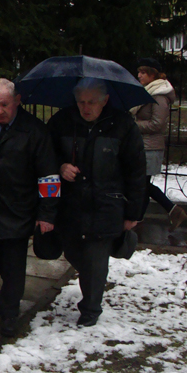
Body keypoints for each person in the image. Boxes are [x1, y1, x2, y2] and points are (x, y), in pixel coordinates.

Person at [0, 78, 60, 337]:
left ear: (17, 100)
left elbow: (48, 176)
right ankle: (10, 293)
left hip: (20, 208)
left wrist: (47, 213)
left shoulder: (35, 131)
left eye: (4, 105)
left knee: (15, 262)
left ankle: (9, 311)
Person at [47, 77, 146, 327]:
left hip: (106, 204)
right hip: (70, 205)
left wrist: (133, 212)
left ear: (106, 101)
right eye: (81, 102)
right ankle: (95, 278)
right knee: (72, 251)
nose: (86, 107)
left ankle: (90, 310)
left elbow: (136, 170)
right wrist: (60, 165)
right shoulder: (61, 121)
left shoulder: (123, 125)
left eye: (92, 102)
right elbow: (45, 154)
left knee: (95, 256)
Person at [133, 57, 187, 231]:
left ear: (152, 74)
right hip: (143, 145)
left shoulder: (159, 96)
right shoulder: (148, 92)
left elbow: (158, 124)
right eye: (139, 71)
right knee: (142, 184)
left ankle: (138, 219)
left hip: (151, 147)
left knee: (142, 184)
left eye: (143, 72)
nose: (139, 75)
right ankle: (172, 211)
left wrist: (133, 124)